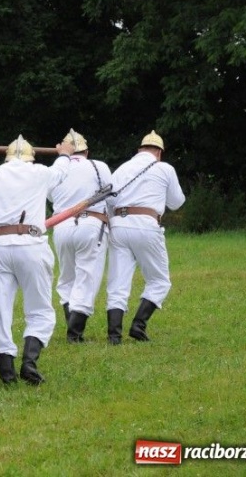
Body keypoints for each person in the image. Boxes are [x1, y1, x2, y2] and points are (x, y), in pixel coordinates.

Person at [0, 135, 75, 386]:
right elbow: (60, 172)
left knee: (0, 310)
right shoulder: (38, 172)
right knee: (39, 308)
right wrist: (65, 153)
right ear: (30, 157)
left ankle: (7, 373)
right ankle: (29, 363)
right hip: (31, 245)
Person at [104, 131, 185, 344]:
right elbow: (176, 202)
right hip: (147, 225)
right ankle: (138, 325)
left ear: (140, 150)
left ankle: (114, 336)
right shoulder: (164, 168)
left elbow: (110, 202)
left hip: (119, 225)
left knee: (118, 281)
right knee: (159, 281)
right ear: (159, 152)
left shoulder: (122, 168)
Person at [47, 130, 113, 343]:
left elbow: (50, 194)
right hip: (91, 223)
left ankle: (72, 324)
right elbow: (111, 194)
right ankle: (74, 333)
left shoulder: (56, 169)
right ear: (87, 152)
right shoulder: (98, 166)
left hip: (61, 225)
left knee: (67, 276)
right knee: (87, 274)